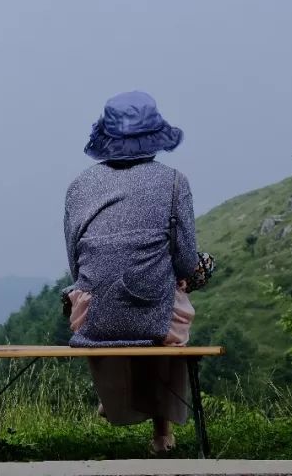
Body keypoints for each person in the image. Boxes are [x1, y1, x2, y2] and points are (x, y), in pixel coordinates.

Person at [63, 91, 199, 454]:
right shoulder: (174, 181)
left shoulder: (79, 185)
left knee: (98, 291)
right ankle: (161, 432)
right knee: (172, 293)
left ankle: (114, 399)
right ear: (153, 137)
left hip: (93, 318)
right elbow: (186, 260)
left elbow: (76, 262)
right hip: (152, 316)